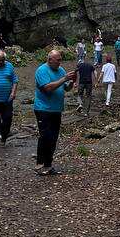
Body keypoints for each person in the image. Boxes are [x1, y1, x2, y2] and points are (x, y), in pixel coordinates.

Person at [34, 47, 76, 176]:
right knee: (45, 136)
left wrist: (71, 82)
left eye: (60, 60)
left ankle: (48, 165)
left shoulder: (61, 70)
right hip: (43, 109)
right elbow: (47, 88)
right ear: (49, 60)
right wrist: (64, 79)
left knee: (53, 138)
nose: (59, 63)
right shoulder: (42, 71)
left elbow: (66, 88)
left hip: (56, 109)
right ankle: (40, 164)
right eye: (57, 60)